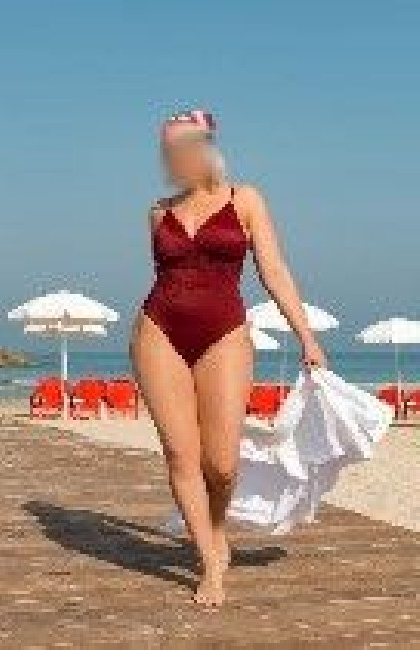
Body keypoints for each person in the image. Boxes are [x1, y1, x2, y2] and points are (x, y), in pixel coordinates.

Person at [129, 109, 327, 607]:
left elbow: (273, 271)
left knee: (221, 463)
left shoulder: (246, 199)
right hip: (158, 332)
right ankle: (209, 562)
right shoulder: (157, 212)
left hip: (225, 333)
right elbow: (167, 275)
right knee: (181, 454)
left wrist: (306, 336)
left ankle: (216, 528)